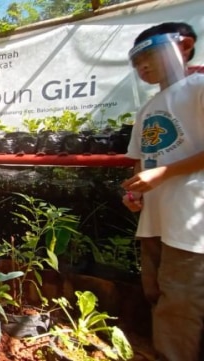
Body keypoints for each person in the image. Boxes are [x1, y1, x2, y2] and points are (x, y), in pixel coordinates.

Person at [121, 22, 203, 361]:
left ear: (183, 46)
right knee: (156, 292)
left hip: (190, 221)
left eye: (150, 54)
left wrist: (165, 173)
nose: (143, 66)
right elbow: (140, 161)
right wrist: (134, 192)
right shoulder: (147, 109)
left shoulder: (198, 87)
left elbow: (160, 167)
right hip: (155, 221)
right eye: (137, 60)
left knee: (180, 305)